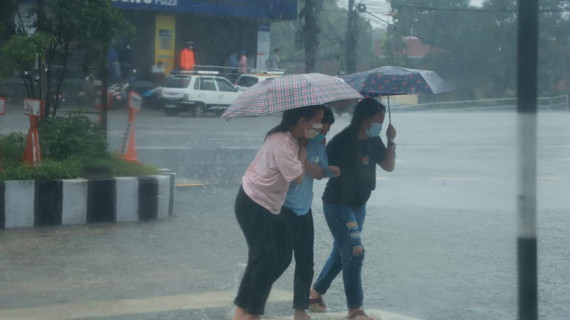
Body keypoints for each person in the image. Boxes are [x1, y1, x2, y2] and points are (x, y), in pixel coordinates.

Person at [231, 105, 325, 320]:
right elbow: (298, 177)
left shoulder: (292, 140)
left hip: (269, 206)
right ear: (303, 121)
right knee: (265, 258)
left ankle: (242, 310)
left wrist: (302, 148)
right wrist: (302, 153)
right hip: (253, 203)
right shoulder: (281, 141)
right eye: (317, 120)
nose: (318, 126)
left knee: (280, 257)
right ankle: (250, 314)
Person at [309, 98, 397, 320]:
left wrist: (390, 140)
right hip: (338, 205)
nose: (381, 123)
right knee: (355, 251)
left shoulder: (374, 140)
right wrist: (330, 169)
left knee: (343, 252)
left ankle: (315, 292)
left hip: (359, 205)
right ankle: (355, 310)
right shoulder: (342, 141)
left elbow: (388, 166)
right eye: (379, 119)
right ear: (365, 119)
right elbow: (320, 167)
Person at [282, 107, 340, 320]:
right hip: (283, 208)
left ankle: (300, 311)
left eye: (326, 131)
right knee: (279, 259)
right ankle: (252, 303)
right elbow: (293, 173)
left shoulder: (316, 145)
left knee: (306, 262)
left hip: (303, 209)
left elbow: (318, 173)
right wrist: (301, 152)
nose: (323, 134)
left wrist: (321, 167)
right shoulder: (288, 141)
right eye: (320, 129)